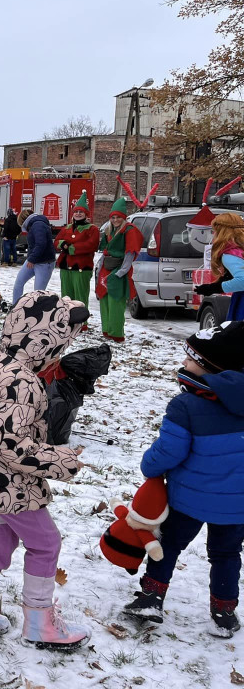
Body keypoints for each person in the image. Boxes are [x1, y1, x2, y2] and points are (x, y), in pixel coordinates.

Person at [0, 290, 90, 650]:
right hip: (7, 484)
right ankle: (40, 622)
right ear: (46, 341)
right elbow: (10, 445)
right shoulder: (22, 381)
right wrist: (61, 461)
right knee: (45, 544)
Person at [122, 321, 244, 638]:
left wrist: (149, 466)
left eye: (190, 359)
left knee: (170, 543)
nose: (184, 363)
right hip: (237, 504)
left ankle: (151, 597)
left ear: (210, 368)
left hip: (189, 499)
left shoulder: (187, 405)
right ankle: (224, 612)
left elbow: (168, 452)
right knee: (227, 553)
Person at [96, 197, 145, 343]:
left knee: (116, 301)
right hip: (106, 268)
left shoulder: (129, 231)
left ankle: (116, 333)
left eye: (118, 217)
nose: (115, 220)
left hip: (118, 269)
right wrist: (99, 271)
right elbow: (104, 251)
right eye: (113, 217)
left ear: (123, 218)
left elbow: (130, 254)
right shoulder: (109, 230)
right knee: (104, 299)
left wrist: (120, 272)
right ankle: (106, 330)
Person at [194, 213, 244, 320]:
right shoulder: (241, 249)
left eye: (214, 230)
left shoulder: (231, 253)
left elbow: (242, 281)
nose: (213, 234)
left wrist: (215, 287)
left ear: (222, 231)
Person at [55, 192, 100, 307]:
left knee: (80, 298)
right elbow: (56, 242)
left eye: (81, 212)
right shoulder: (67, 228)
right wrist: (63, 243)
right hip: (65, 267)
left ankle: (82, 323)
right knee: (66, 298)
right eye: (76, 211)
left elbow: (91, 245)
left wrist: (70, 248)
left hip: (81, 268)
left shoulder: (92, 229)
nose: (78, 214)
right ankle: (67, 321)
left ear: (86, 214)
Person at [11, 208, 57, 306]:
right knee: (19, 282)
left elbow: (41, 244)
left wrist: (32, 259)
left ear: (23, 221)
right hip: (34, 259)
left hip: (44, 262)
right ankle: (15, 307)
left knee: (39, 292)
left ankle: (37, 312)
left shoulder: (38, 225)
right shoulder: (35, 225)